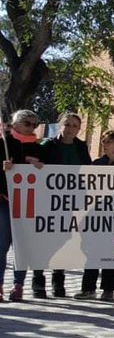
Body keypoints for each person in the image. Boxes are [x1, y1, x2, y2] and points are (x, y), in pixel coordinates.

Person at [34, 113, 92, 298]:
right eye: (67, 124)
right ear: (60, 126)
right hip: (47, 202)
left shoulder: (81, 147)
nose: (71, 129)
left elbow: (89, 171)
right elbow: (34, 166)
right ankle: (38, 279)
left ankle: (58, 278)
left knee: (63, 240)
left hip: (71, 202)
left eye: (75, 126)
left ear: (79, 129)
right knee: (44, 241)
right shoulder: (47, 145)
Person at [76, 129, 114, 301]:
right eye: (103, 142)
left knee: (111, 251)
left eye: (108, 141)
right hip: (95, 213)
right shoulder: (97, 163)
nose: (105, 145)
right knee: (92, 251)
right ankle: (88, 288)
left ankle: (108, 289)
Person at [1, 109, 43, 302]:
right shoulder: (3, 144)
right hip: (5, 202)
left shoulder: (39, 147)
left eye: (35, 124)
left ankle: (18, 285)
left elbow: (50, 174)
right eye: (28, 123)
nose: (32, 127)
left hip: (29, 205)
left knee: (22, 247)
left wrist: (42, 167)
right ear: (14, 124)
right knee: (1, 246)